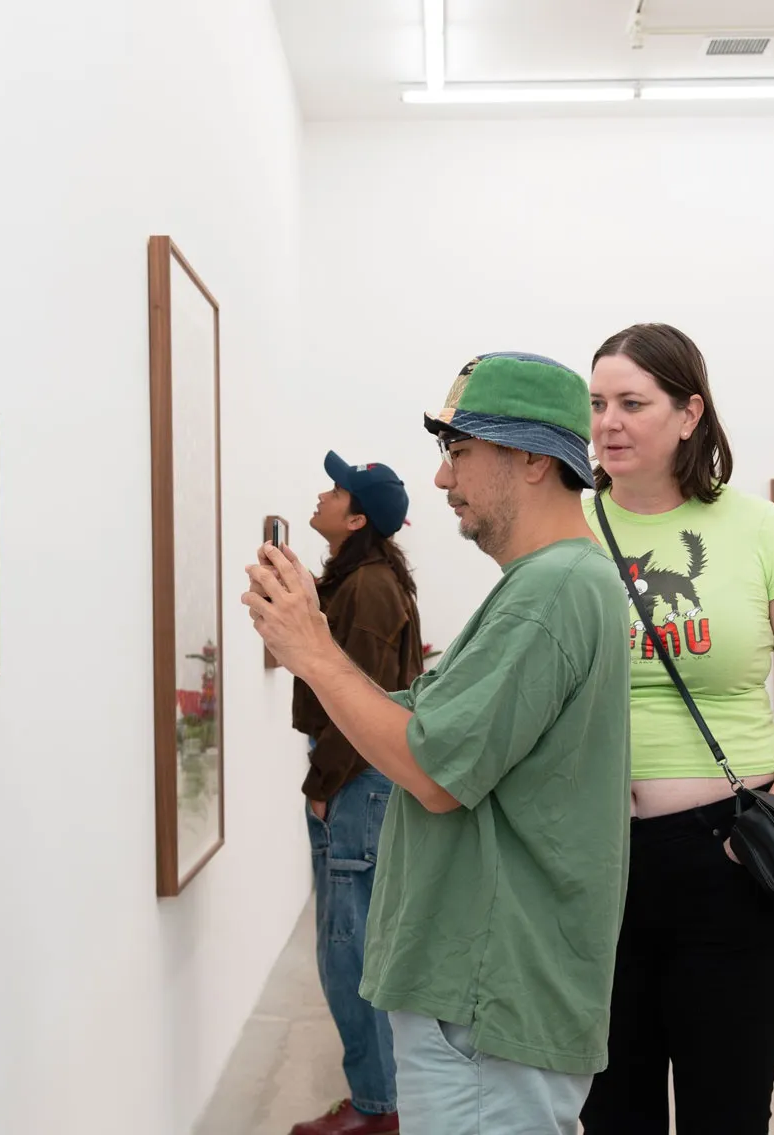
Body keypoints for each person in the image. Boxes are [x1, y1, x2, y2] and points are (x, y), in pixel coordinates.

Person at [244, 352, 631, 1135]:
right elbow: (426, 725)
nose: (444, 480)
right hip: (484, 997)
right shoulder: (547, 583)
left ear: (528, 458)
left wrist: (313, 650)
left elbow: (431, 768)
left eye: (459, 452)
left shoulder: (552, 590)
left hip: (487, 1003)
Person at [580, 323, 774, 1135]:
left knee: (725, 1113)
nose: (609, 422)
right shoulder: (567, 529)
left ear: (689, 413)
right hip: (593, 867)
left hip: (730, 866)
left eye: (633, 402)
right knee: (609, 1116)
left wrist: (764, 827)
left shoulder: (756, 529)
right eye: (597, 404)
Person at [287, 452, 423, 1135]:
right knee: (352, 943)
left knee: (350, 950)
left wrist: (322, 785)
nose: (322, 493)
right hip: (354, 778)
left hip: (354, 781)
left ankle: (379, 1108)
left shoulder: (368, 586)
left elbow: (357, 703)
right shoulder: (363, 579)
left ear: (358, 516)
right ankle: (381, 1098)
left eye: (335, 489)